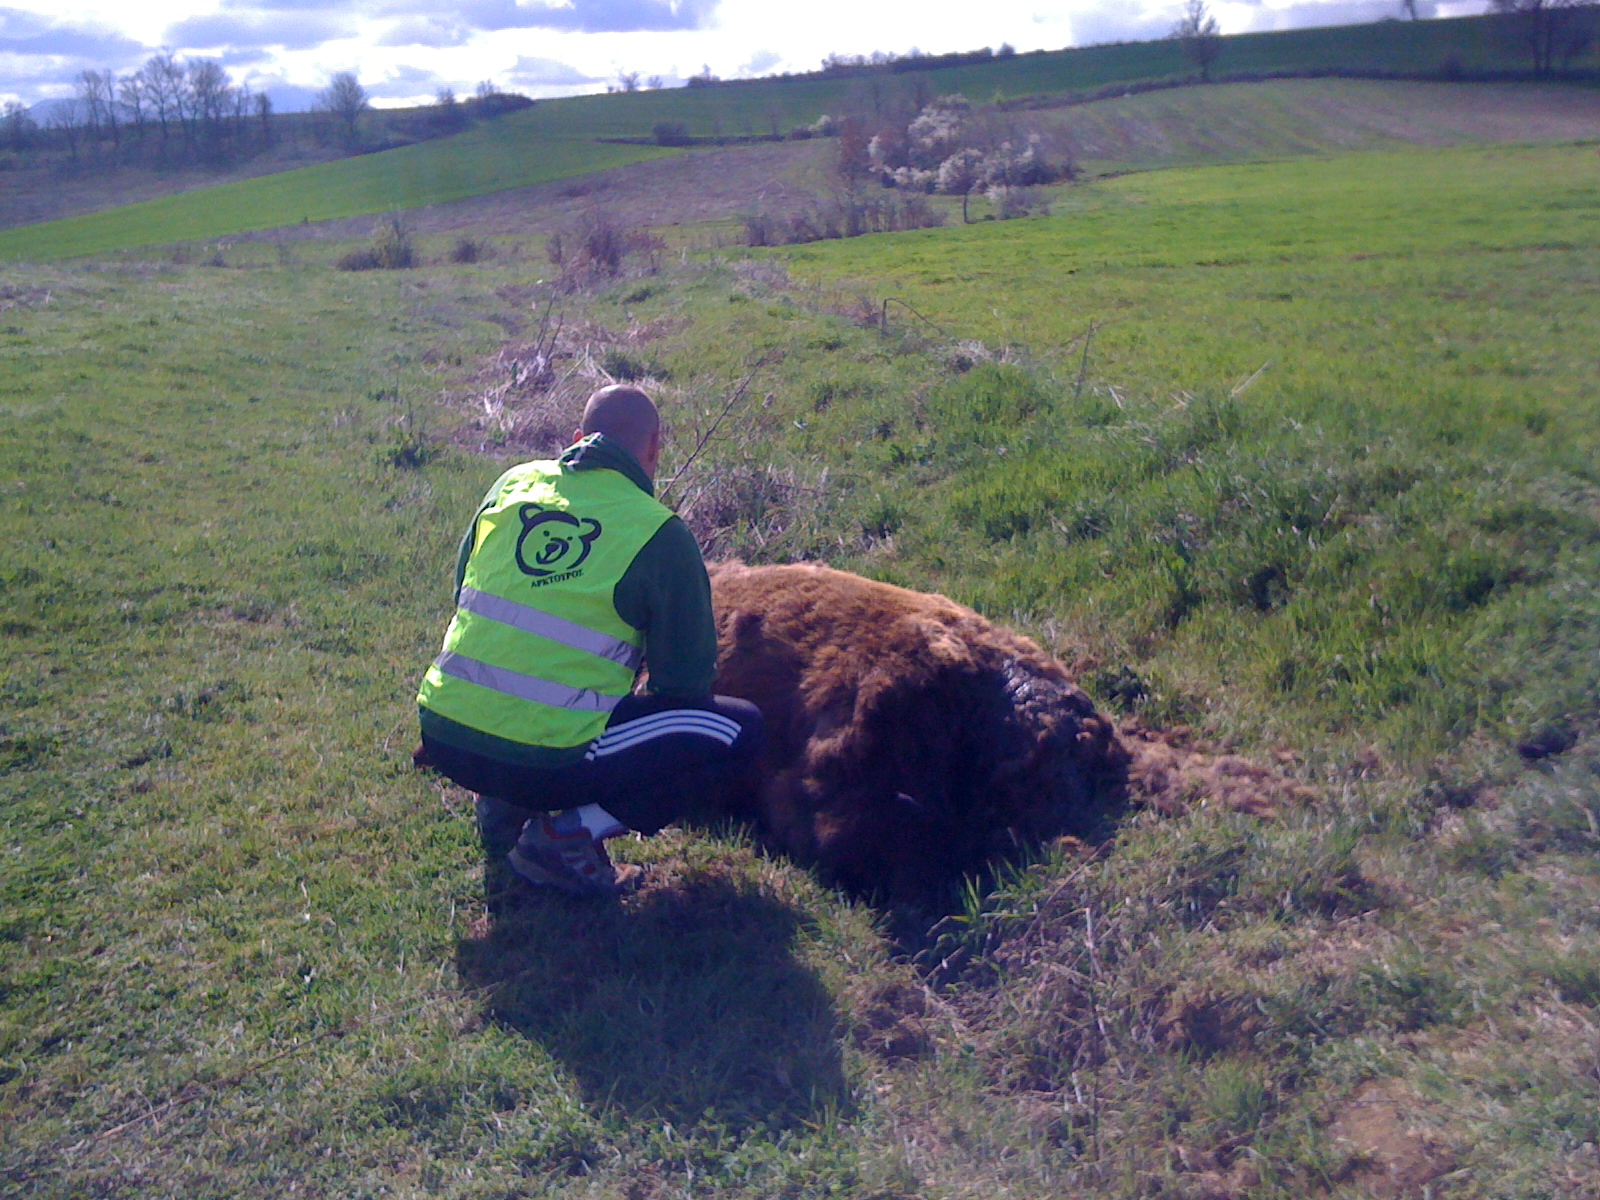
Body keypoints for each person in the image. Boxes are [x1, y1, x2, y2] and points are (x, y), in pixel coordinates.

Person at [414, 384, 763, 898]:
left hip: (446, 733)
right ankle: (563, 837)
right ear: (654, 448)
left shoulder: (513, 484)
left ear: (579, 438)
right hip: (546, 760)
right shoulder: (658, 532)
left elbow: (463, 590)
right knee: (737, 729)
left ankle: (502, 802)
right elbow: (683, 684)